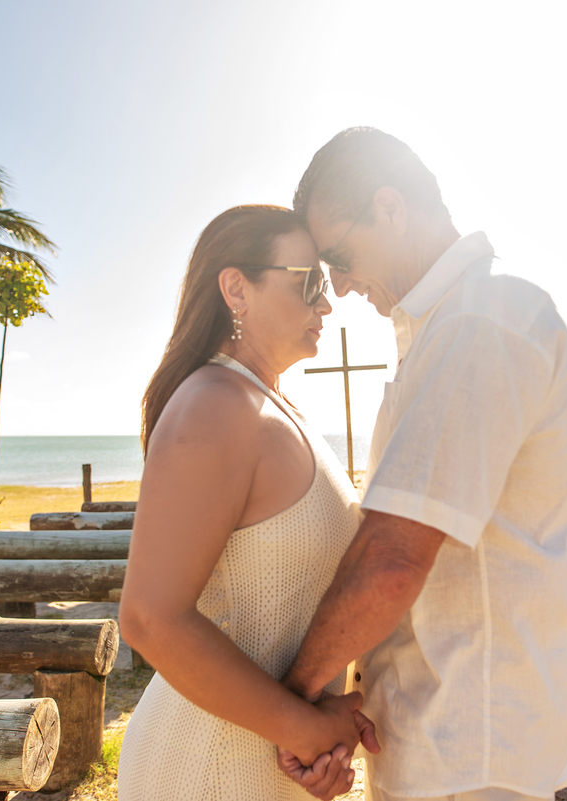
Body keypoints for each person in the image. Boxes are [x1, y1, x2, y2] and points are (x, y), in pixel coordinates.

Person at [277, 128, 567, 801]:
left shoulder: (481, 321)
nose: (336, 284)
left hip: (475, 753)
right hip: (452, 745)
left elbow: (391, 557)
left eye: (339, 254)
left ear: (390, 207)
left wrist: (293, 699)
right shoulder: (450, 329)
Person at [116, 204, 379, 801]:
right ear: (237, 288)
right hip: (205, 766)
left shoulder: (272, 406)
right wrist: (308, 728)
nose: (327, 303)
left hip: (269, 761)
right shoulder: (215, 405)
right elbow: (149, 619)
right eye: (307, 281)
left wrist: (320, 730)